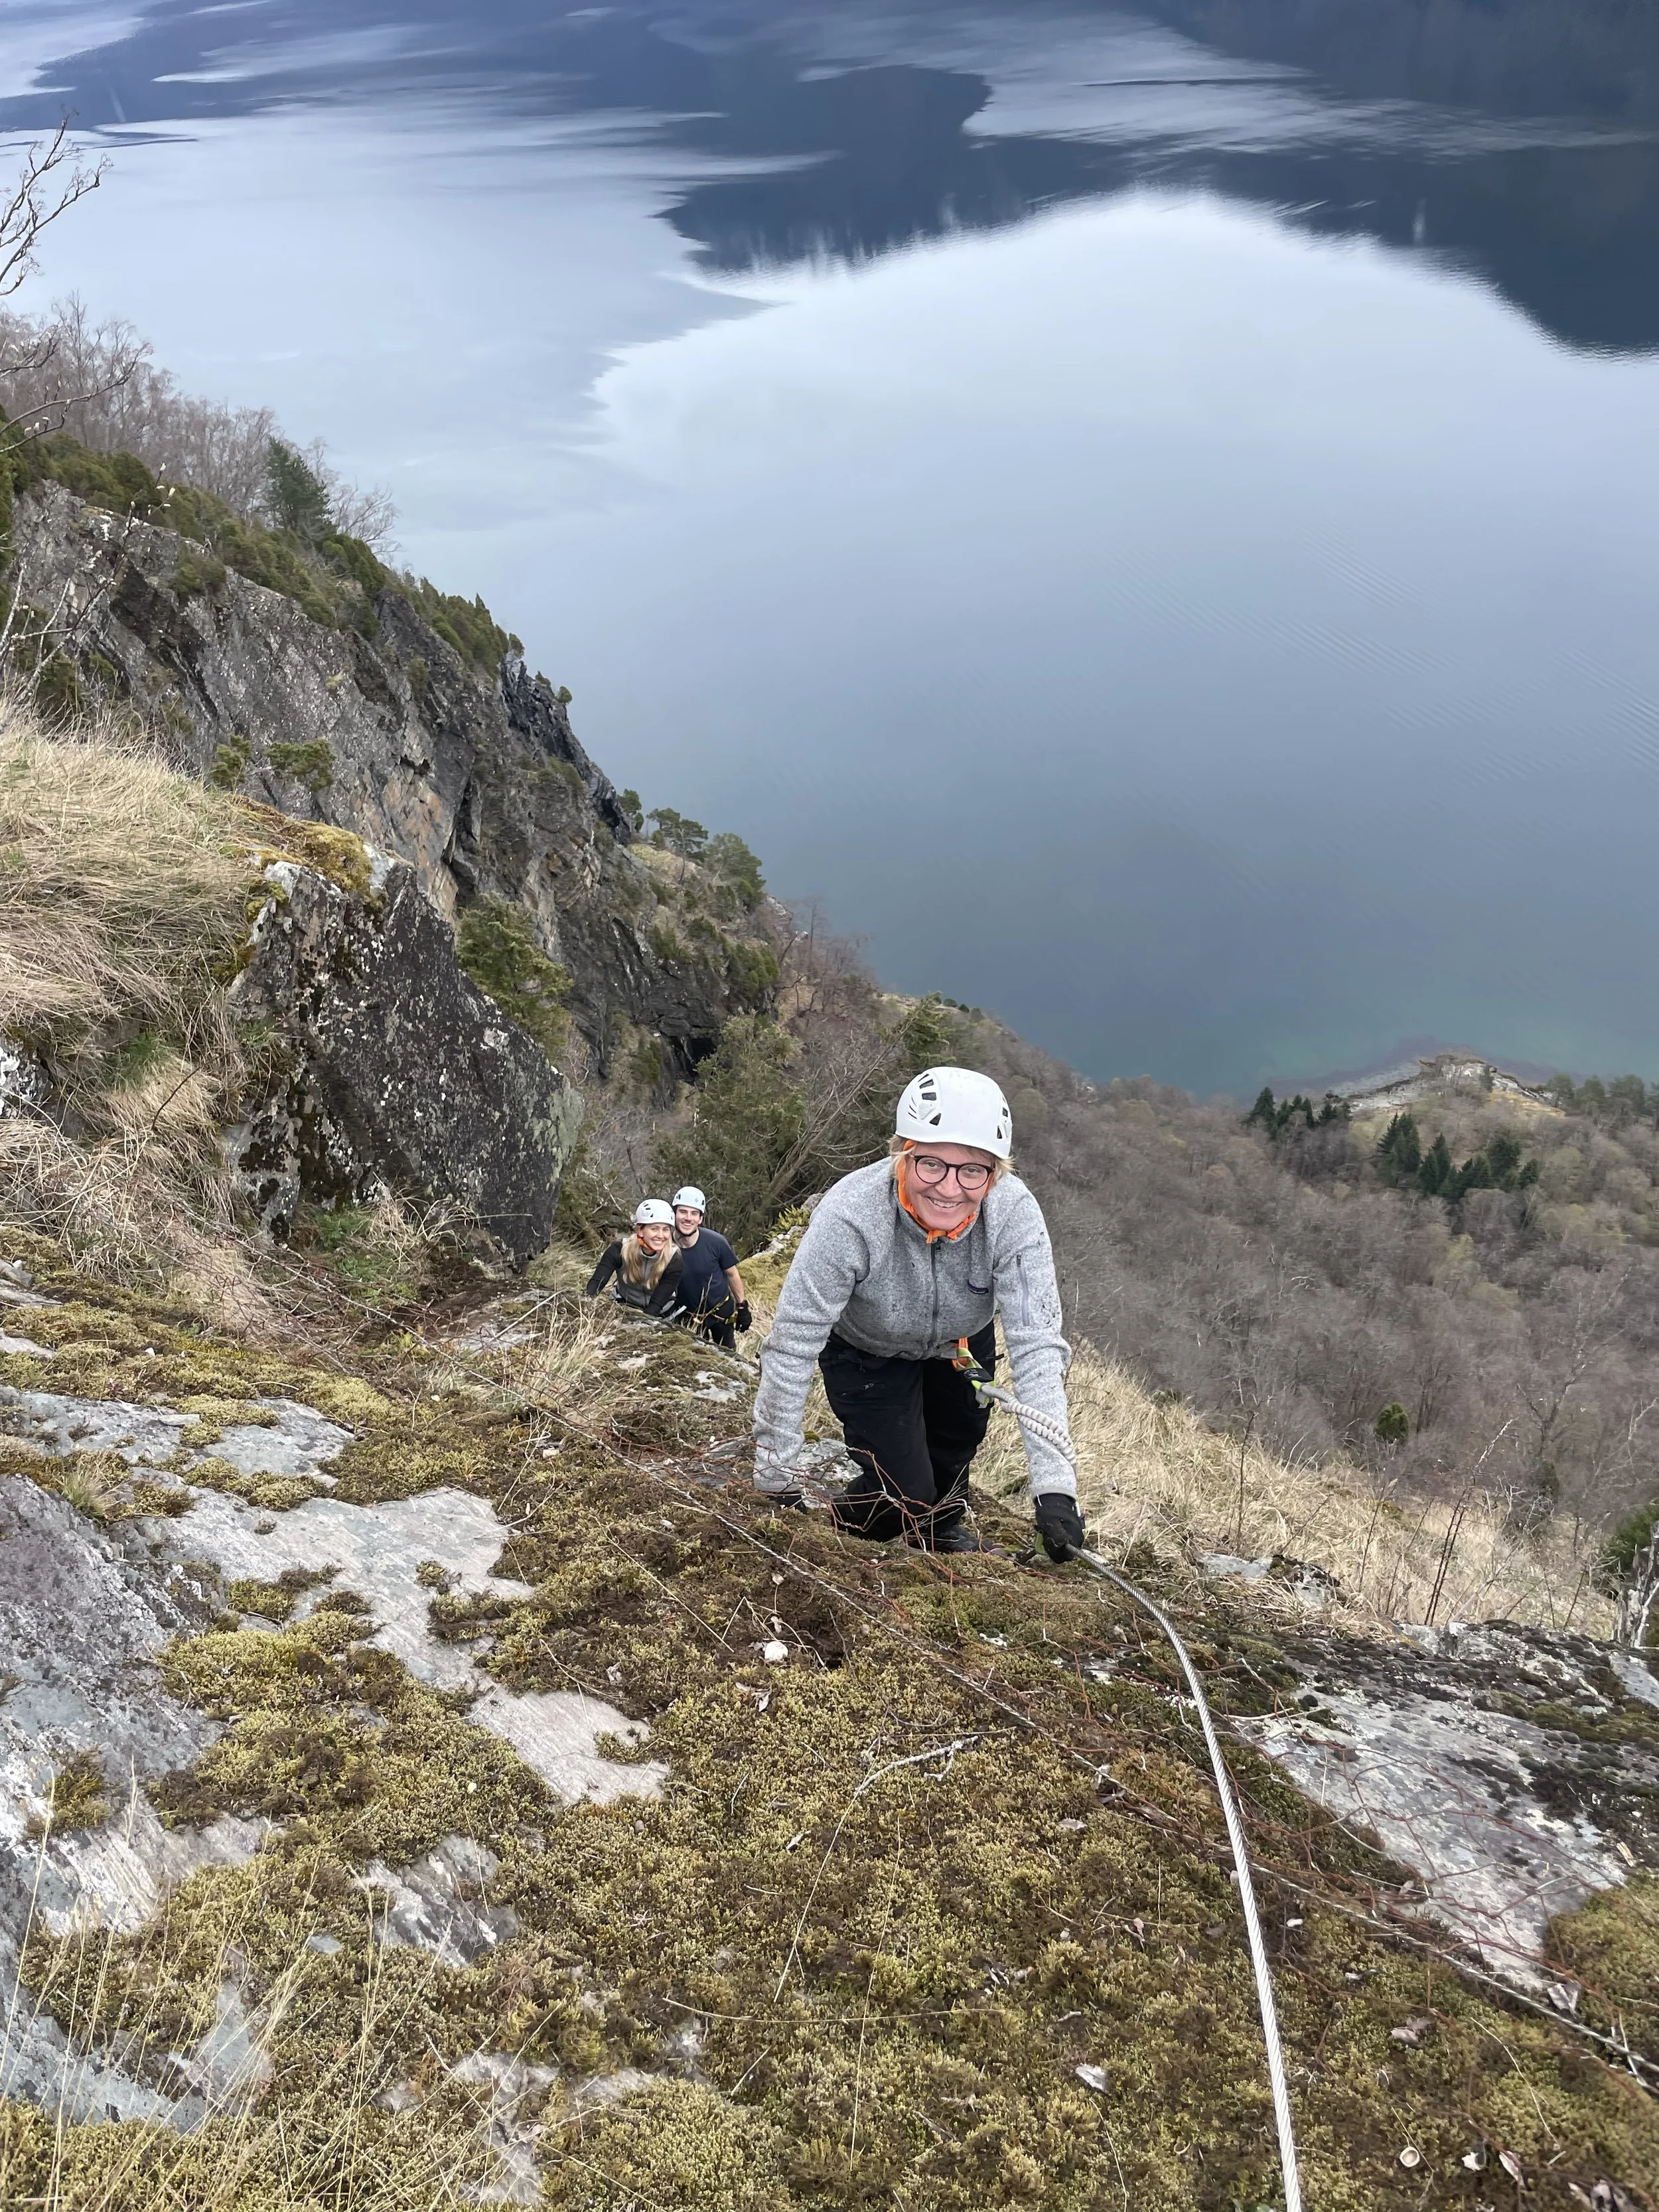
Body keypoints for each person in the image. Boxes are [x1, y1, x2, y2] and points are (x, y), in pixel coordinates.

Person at [751, 1067, 1087, 1558]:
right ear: (901, 1154)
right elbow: (792, 1344)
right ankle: (849, 1526)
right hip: (868, 1348)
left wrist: (1056, 1491)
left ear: (996, 1172)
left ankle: (938, 1529)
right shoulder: (851, 1215)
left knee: (956, 1448)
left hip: (962, 1344)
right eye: (931, 1164)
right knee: (903, 1489)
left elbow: (1037, 1343)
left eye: (973, 1170)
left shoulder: (1012, 1214)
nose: (950, 1189)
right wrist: (775, 1477)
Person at [670, 1185, 751, 1350]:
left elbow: (732, 1274)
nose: (688, 1218)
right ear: (674, 1214)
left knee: (728, 1355)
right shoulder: (665, 1246)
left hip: (720, 1312)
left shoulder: (716, 1243)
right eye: (683, 1212)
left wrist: (742, 1307)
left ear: (700, 1219)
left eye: (694, 1213)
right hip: (685, 1315)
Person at [585, 1199, 686, 1317]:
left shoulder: (674, 1258)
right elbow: (595, 1286)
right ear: (640, 1231)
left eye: (666, 1230)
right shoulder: (619, 1250)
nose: (661, 1235)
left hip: (661, 1313)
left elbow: (656, 1306)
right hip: (623, 1306)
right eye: (655, 1229)